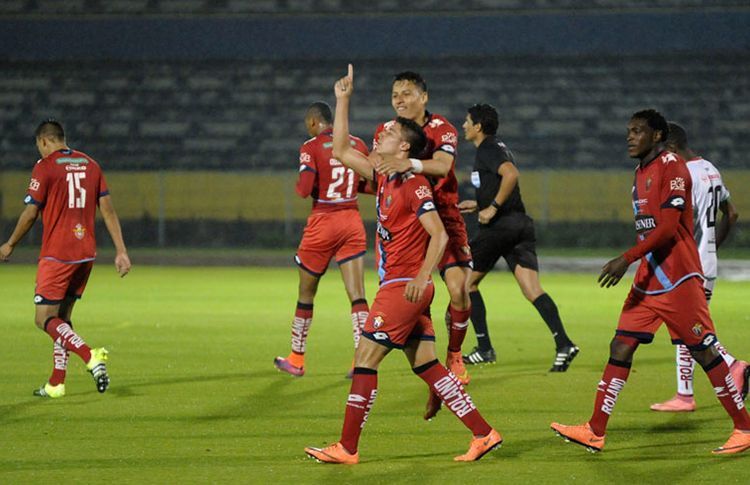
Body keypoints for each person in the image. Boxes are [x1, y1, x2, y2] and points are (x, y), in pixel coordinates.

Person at [304, 65, 502, 464]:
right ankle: (484, 433)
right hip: (401, 284)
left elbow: (441, 234)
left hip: (403, 287)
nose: (378, 139)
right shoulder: (383, 178)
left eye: (387, 136)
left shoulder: (412, 183)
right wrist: (342, 100)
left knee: (365, 358)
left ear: (405, 149)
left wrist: (421, 275)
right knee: (425, 364)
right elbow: (341, 151)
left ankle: (347, 447)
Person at [551, 109, 750, 455]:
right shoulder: (640, 171)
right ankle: (595, 430)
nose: (630, 136)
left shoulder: (673, 166)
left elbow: (669, 228)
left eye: (638, 131)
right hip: (650, 279)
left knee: (702, 351)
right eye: (628, 130)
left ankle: (744, 427)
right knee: (621, 346)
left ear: (657, 135)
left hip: (679, 277)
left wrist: (625, 258)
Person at [0, 119, 131, 398]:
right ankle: (56, 382)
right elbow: (108, 210)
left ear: (45, 141)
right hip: (85, 255)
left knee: (43, 319)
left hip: (57, 254)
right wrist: (121, 250)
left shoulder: (44, 167)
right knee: (62, 320)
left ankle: (90, 356)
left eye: (39, 145)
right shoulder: (91, 165)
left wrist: (10, 244)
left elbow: (31, 212)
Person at [372, 71, 472, 419]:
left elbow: (443, 166)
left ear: (424, 97)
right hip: (403, 225)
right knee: (415, 312)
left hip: (441, 214)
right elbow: (375, 170)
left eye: (408, 92)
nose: (400, 98)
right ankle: (437, 383)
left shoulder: (442, 128)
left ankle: (454, 356)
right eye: (395, 93)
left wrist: (409, 163)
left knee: (459, 288)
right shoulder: (386, 131)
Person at [458, 104, 579, 371]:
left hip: (501, 226)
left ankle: (484, 348)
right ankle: (564, 344)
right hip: (519, 224)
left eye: (467, 121)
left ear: (478, 126)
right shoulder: (497, 146)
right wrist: (479, 204)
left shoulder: (488, 149)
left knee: (465, 284)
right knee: (532, 290)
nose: (463, 126)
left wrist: (492, 208)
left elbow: (511, 174)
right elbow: (501, 183)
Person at [650, 122, 747, 412]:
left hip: (689, 265)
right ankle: (684, 395)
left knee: (691, 328)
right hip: (706, 261)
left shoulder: (682, 175)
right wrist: (712, 246)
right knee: (684, 327)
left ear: (670, 148)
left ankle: (733, 364)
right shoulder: (710, 168)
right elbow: (732, 212)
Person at [273, 102, 370, 378]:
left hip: (323, 222)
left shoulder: (311, 146)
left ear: (315, 122)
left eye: (308, 124)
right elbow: (370, 183)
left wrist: (310, 182)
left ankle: (297, 358)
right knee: (358, 295)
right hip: (351, 219)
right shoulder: (357, 144)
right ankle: (361, 361)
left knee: (306, 294)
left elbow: (304, 190)